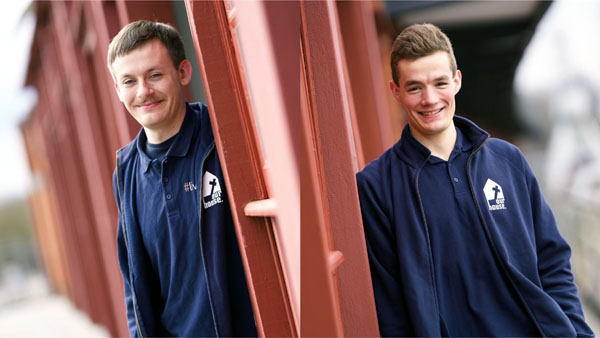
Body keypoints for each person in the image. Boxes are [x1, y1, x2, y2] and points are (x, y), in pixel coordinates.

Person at [356, 23, 594, 337]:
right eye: (414, 87)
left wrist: (578, 332)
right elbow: (389, 306)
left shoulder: (507, 160)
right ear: (396, 91)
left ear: (456, 81)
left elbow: (552, 261)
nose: (430, 99)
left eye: (440, 83)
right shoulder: (375, 186)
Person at [108, 20, 256, 337]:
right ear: (118, 91)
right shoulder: (126, 173)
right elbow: (135, 285)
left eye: (155, 75)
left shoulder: (223, 139)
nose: (144, 91)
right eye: (129, 81)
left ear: (183, 72)